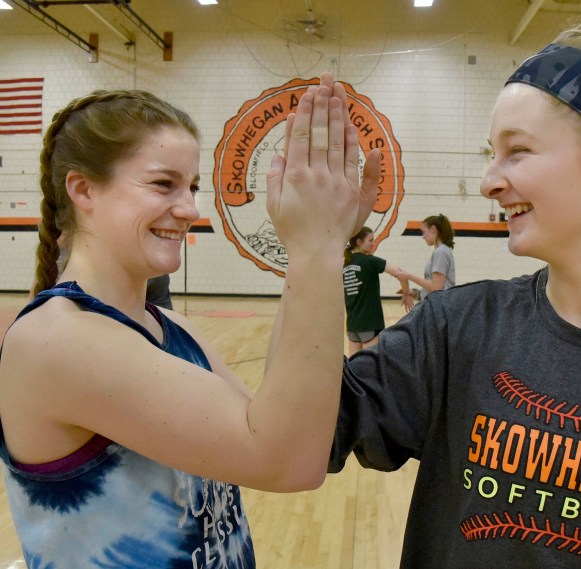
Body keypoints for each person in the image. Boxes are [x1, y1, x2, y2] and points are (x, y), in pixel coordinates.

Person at [292, 1, 581, 567]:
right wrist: (315, 247)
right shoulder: (454, 331)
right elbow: (298, 441)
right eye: (492, 155)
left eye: (518, 151)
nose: (489, 181)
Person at [0, 79, 380, 568]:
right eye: (164, 184)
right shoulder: (57, 338)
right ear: (82, 189)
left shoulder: (172, 330)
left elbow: (282, 428)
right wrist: (317, 247)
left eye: (193, 187)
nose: (190, 209)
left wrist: (320, 247)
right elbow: (288, 462)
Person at [343, 226, 410, 355]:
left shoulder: (347, 264)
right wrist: (406, 293)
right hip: (369, 324)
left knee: (353, 368)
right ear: (359, 242)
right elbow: (401, 274)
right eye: (370, 240)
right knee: (370, 368)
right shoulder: (371, 261)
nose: (373, 243)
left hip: (352, 326)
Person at [399, 213, 456, 301]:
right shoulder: (441, 251)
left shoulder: (441, 252)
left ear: (433, 229)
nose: (423, 236)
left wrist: (408, 275)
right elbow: (435, 287)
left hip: (440, 307)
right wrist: (416, 293)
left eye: (424, 232)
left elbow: (436, 288)